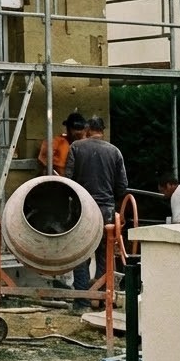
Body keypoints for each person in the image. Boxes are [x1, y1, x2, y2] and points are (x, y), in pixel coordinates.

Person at [64, 115, 128, 309]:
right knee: (104, 254)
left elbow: (68, 180)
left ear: (87, 129)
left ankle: (82, 301)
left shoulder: (76, 147)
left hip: (82, 208)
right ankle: (100, 298)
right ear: (103, 131)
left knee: (81, 255)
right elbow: (122, 186)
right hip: (105, 210)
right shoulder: (114, 151)